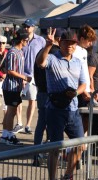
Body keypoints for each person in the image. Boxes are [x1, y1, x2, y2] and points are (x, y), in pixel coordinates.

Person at [36, 28, 86, 180]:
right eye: (66, 43)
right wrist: (47, 46)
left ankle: (67, 175)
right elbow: (40, 63)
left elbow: (83, 83)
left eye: (73, 43)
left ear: (76, 45)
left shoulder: (78, 62)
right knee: (55, 148)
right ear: (60, 42)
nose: (70, 46)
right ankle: (52, 178)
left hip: (73, 109)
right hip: (55, 109)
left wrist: (76, 92)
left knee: (80, 145)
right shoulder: (52, 58)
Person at [32, 28, 62, 166]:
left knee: (42, 123)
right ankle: (49, 155)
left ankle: (37, 154)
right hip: (51, 93)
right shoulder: (57, 53)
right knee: (52, 124)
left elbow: (36, 71)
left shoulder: (41, 52)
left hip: (42, 91)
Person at [14, 18, 46, 135]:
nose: (26, 28)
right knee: (18, 100)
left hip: (34, 75)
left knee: (32, 100)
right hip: (21, 73)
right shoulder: (21, 39)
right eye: (25, 26)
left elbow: (44, 55)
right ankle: (19, 122)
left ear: (34, 27)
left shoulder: (40, 40)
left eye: (28, 26)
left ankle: (28, 124)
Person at [0, 30, 31, 146]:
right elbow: (10, 71)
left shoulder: (19, 52)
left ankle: (5, 135)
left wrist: (22, 80)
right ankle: (9, 136)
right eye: (26, 40)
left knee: (11, 111)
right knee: (11, 112)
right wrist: (24, 77)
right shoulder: (13, 52)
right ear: (22, 40)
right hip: (11, 87)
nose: (27, 42)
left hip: (15, 86)